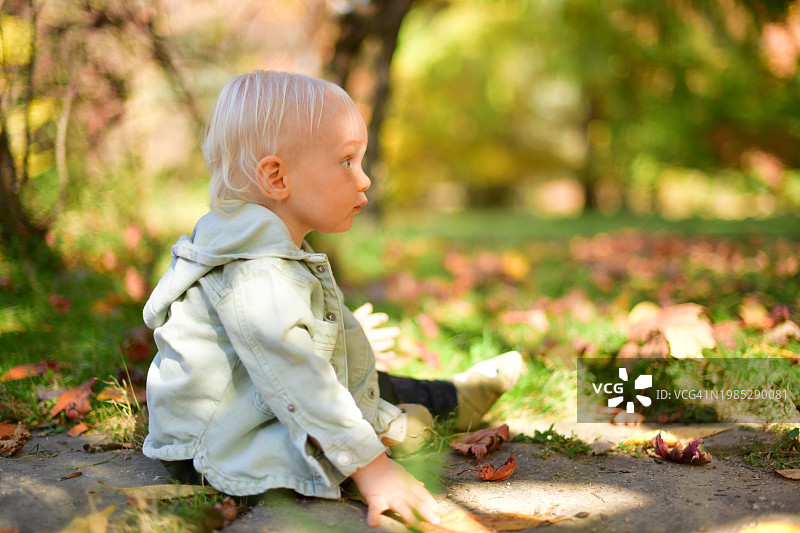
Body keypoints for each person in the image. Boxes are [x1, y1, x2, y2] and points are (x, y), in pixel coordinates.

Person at [141, 70, 523, 528]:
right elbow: (297, 379)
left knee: (375, 383)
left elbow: (291, 346)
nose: (364, 179)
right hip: (224, 445)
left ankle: (451, 397)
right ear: (276, 177)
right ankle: (436, 409)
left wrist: (345, 343)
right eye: (346, 162)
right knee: (361, 401)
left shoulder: (270, 247)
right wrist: (372, 468)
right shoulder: (256, 272)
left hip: (249, 406)